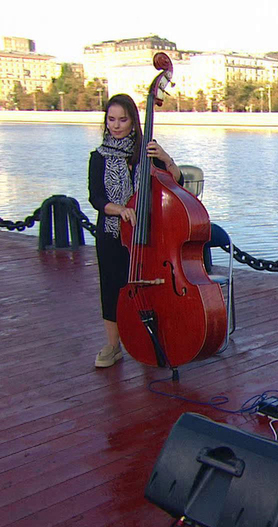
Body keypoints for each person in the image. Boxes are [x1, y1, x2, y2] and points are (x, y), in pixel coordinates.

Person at [89, 93, 184, 368]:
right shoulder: (98, 157)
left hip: (147, 234)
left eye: (122, 119)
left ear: (133, 121)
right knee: (112, 286)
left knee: (148, 285)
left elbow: (174, 182)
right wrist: (120, 209)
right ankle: (113, 346)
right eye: (111, 119)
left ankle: (152, 339)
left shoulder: (147, 152)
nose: (116, 125)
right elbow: (95, 198)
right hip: (112, 232)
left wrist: (166, 158)